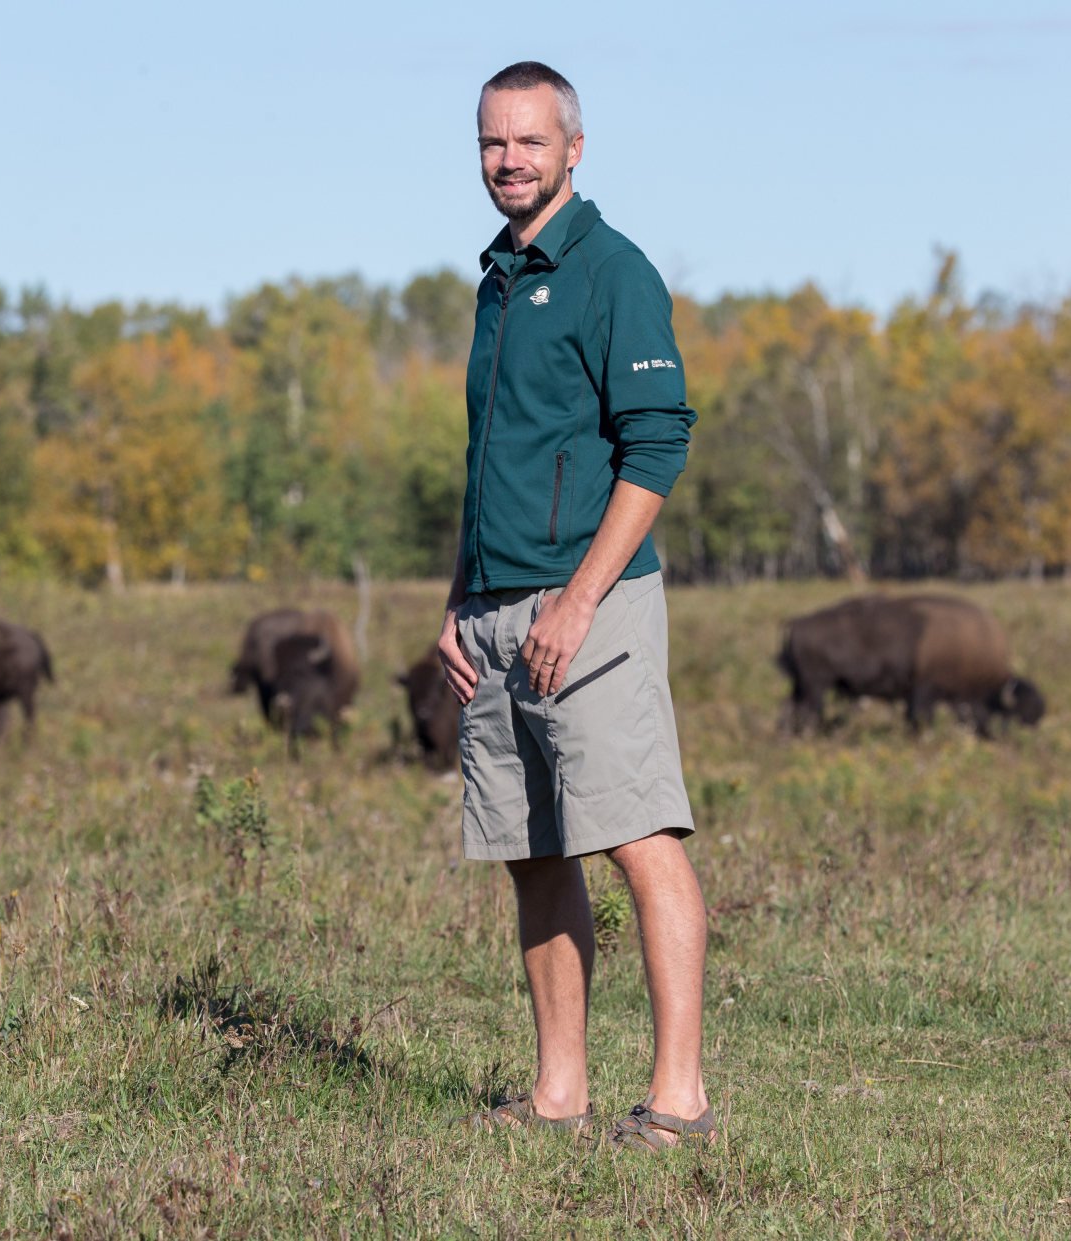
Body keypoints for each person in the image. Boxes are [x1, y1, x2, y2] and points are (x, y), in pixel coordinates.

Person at [436, 61, 713, 1151]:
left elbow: (655, 446)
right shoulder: (497, 279)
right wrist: (455, 602)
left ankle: (677, 1096)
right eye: (490, 145)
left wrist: (577, 601)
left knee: (636, 836)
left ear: (573, 149)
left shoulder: (613, 273)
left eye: (528, 143)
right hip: (493, 613)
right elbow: (487, 461)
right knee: (532, 851)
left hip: (585, 609)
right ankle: (558, 1091)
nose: (508, 161)